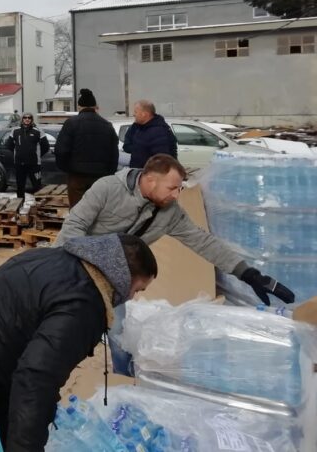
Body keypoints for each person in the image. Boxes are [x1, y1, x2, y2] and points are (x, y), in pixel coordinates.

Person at [0, 233, 158, 452]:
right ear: (125, 278)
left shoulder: (50, 257)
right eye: (137, 289)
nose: (130, 297)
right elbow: (37, 377)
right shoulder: (85, 304)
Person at [56, 154, 296, 374]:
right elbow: (73, 226)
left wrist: (248, 274)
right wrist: (67, 267)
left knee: (119, 332)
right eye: (172, 188)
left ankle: (125, 379)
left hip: (117, 281)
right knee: (62, 329)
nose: (176, 195)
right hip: (80, 269)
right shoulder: (107, 189)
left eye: (180, 188)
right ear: (150, 180)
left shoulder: (169, 212)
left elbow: (204, 242)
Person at [54, 88, 119, 207]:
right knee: (98, 210)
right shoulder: (107, 125)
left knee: (78, 212)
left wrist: (67, 168)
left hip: (77, 176)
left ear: (79, 107)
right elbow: (114, 153)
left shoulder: (71, 123)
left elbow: (60, 150)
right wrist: (109, 172)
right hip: (100, 177)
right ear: (95, 107)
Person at [5, 113, 50, 199]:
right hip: (19, 164)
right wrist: (18, 153)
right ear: (22, 119)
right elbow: (9, 145)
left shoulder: (38, 131)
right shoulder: (15, 131)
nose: (27, 119)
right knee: (20, 187)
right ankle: (19, 206)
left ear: (32, 119)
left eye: (29, 118)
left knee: (37, 186)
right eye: (25, 118)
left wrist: (37, 155)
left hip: (34, 164)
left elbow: (45, 146)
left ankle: (39, 207)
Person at [123, 100, 177, 169]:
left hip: (152, 175)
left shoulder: (158, 131)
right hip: (141, 172)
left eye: (136, 112)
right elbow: (131, 146)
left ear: (144, 114)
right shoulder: (139, 128)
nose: (133, 114)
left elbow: (161, 160)